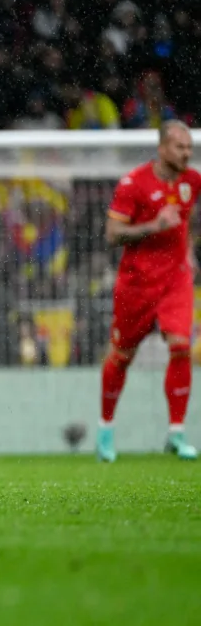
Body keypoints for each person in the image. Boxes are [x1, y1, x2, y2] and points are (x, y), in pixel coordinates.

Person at [99, 120, 199, 462]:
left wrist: (186, 253)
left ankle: (176, 432)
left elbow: (183, 221)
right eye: (180, 147)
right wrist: (154, 226)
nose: (187, 153)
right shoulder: (133, 184)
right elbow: (113, 234)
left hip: (176, 281)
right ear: (162, 148)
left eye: (189, 147)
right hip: (137, 283)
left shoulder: (192, 181)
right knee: (122, 357)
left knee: (181, 346)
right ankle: (106, 430)